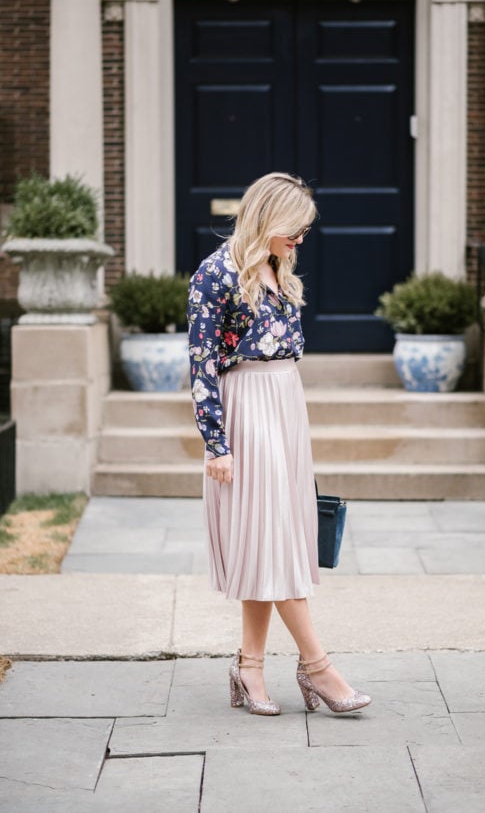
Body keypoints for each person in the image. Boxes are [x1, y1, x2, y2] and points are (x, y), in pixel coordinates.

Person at [187, 172, 372, 716]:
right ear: (267, 218)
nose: (300, 240)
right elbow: (201, 364)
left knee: (272, 540)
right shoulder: (216, 274)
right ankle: (317, 667)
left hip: (285, 402)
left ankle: (249, 669)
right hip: (247, 408)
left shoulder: (275, 268)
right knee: (275, 540)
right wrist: (215, 443)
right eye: (294, 229)